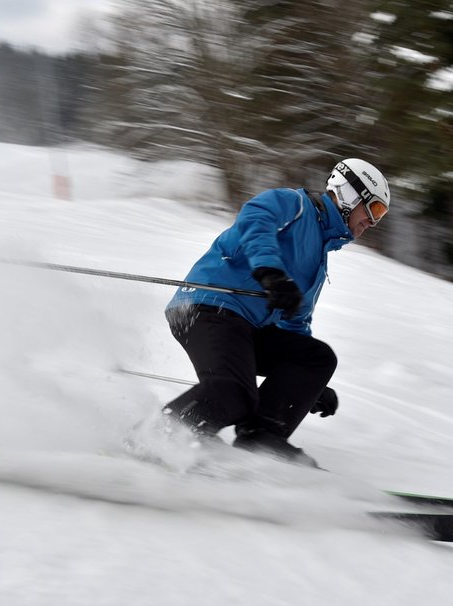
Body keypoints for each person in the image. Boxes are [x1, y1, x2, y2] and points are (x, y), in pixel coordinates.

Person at [159, 158, 390, 467]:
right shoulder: (293, 204)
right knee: (234, 393)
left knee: (316, 357)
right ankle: (155, 438)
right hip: (206, 305)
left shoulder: (318, 262)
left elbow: (295, 322)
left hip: (243, 326)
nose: (373, 222)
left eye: (381, 215)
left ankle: (261, 438)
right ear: (350, 195)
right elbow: (256, 219)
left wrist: (306, 384)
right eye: (373, 210)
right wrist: (270, 271)